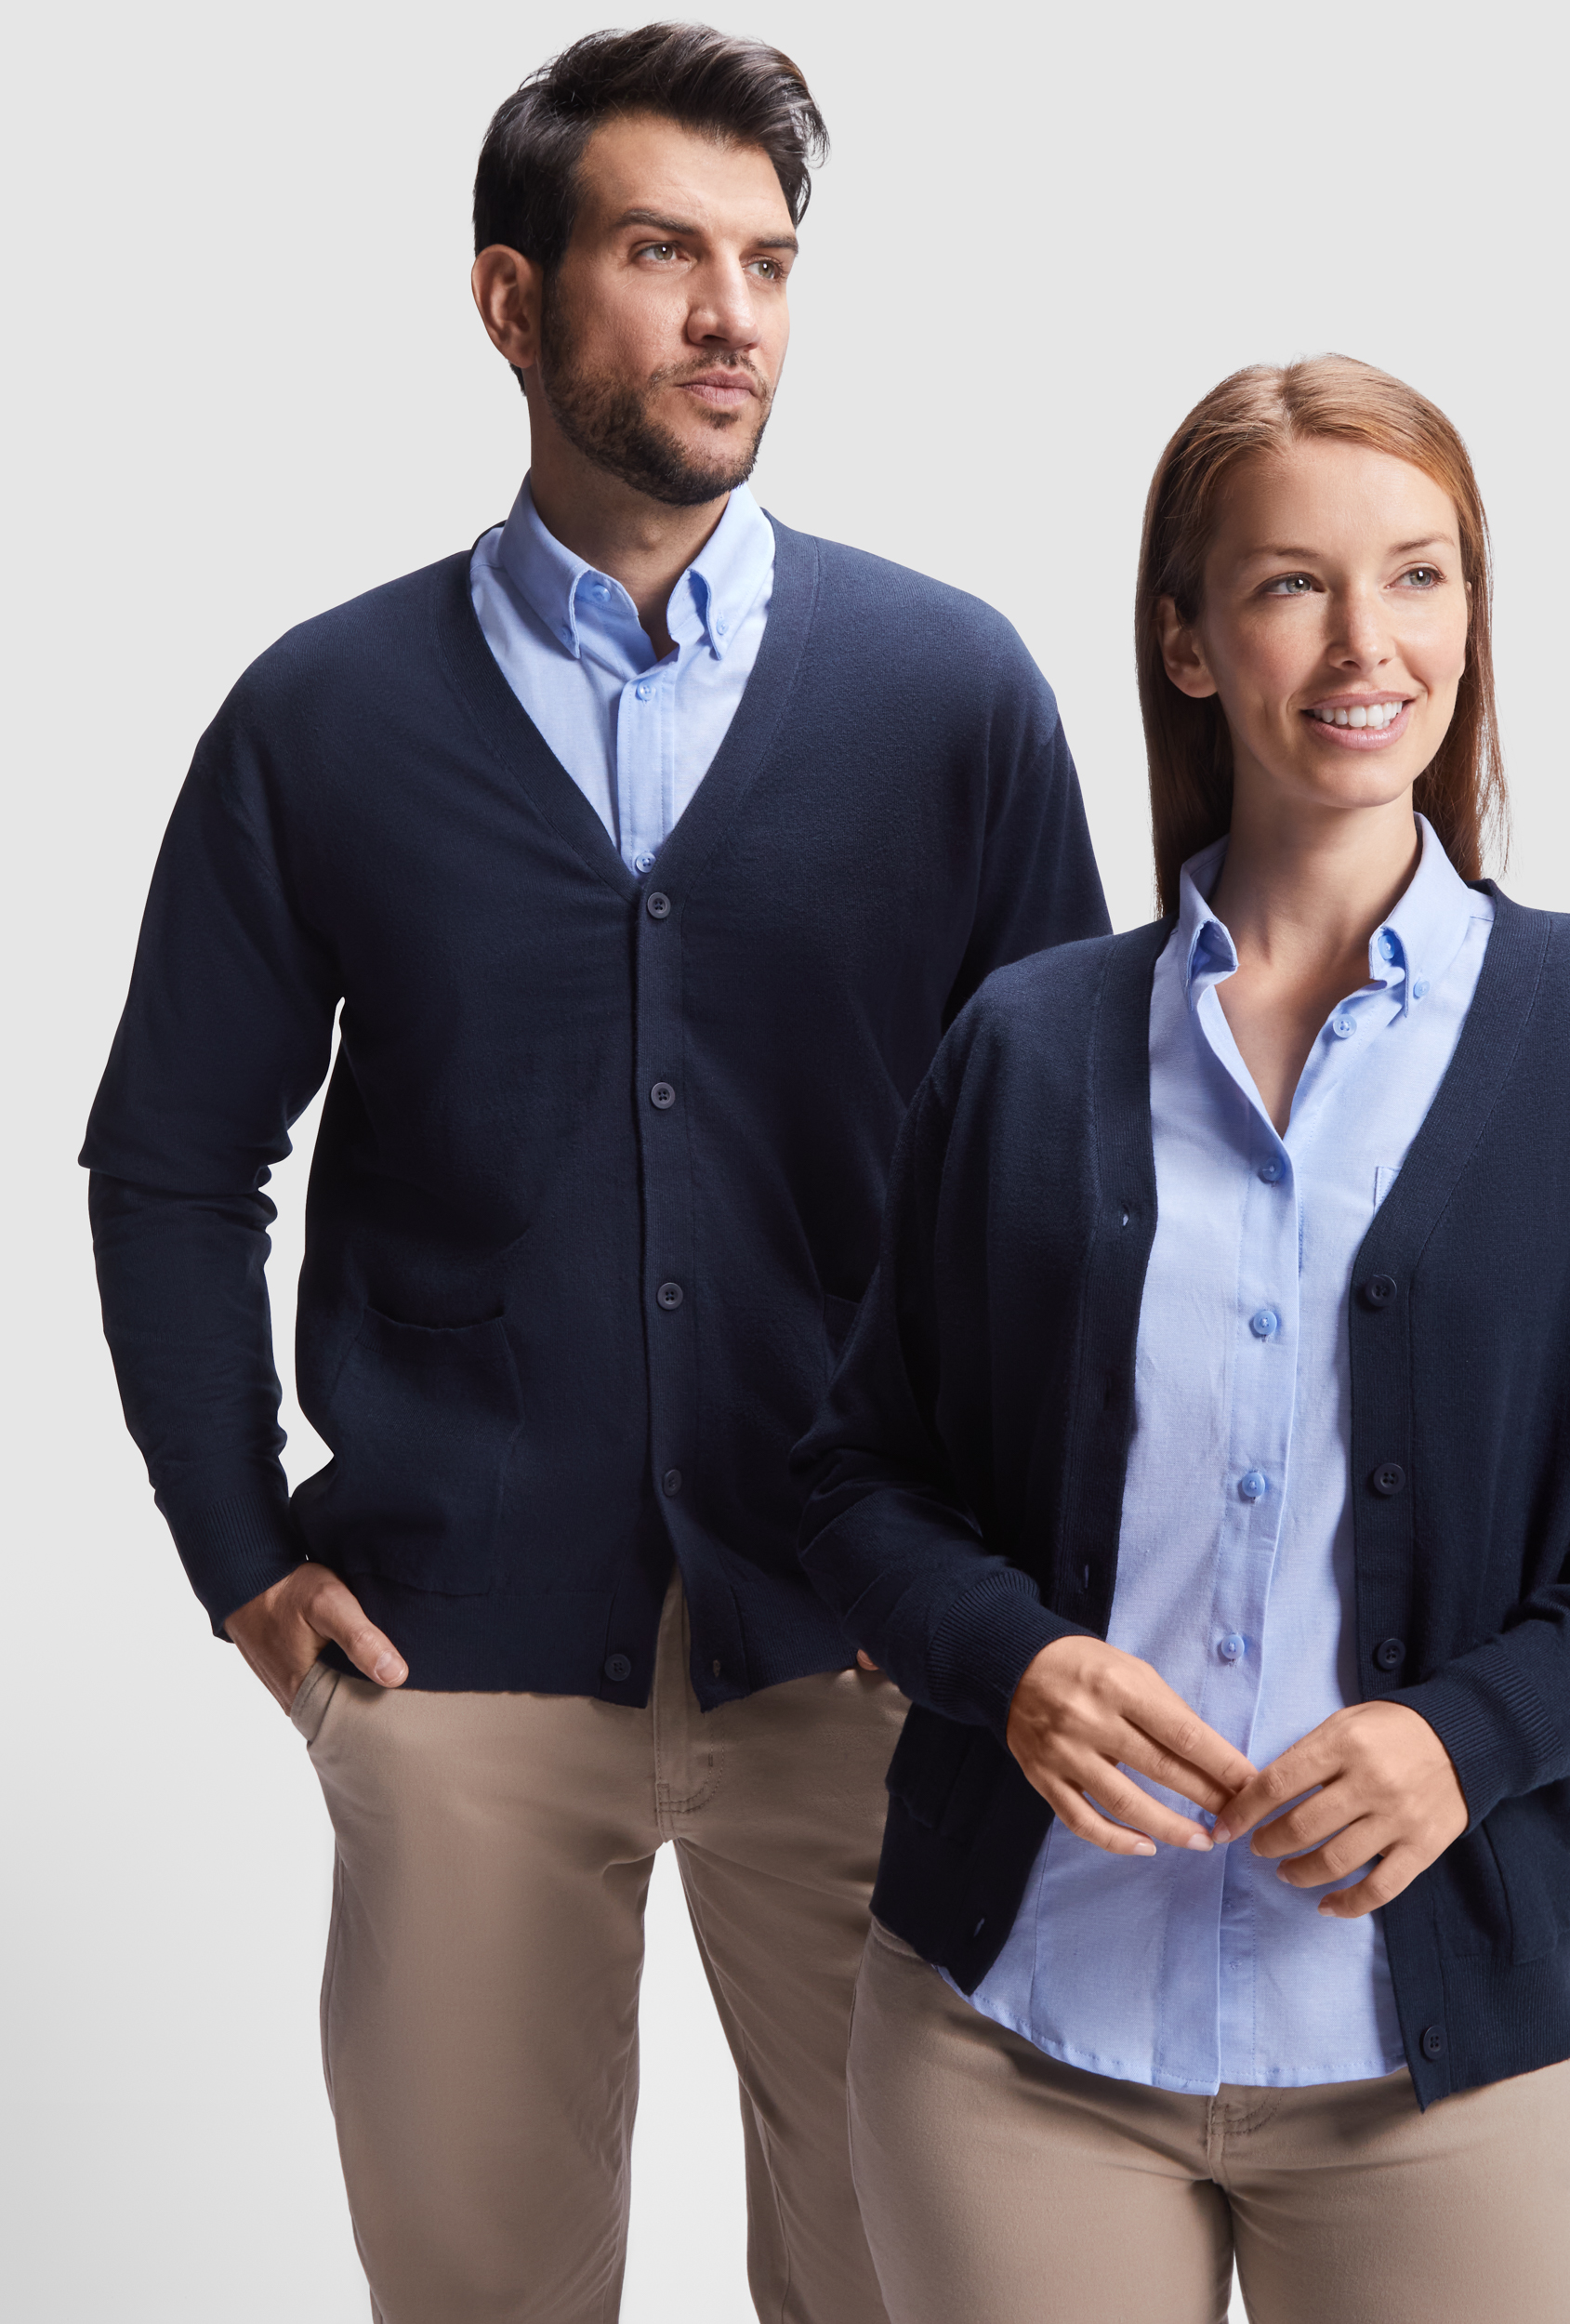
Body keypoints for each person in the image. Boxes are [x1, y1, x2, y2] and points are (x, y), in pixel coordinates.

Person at [82, 23, 1106, 2322]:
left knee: (909, 2279)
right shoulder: (322, 718)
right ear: (511, 300)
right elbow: (170, 1161)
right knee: (478, 2288)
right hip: (455, 1656)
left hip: (861, 1648)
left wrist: (1000, 1575)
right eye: (662, 253)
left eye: (769, 260)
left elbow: (1071, 1187)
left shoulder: (952, 695)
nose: (733, 314)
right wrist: (239, 1552)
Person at [797, 354, 1570, 2324]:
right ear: (1185, 639)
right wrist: (1012, 1665)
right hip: (1016, 2040)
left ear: (1471, 616)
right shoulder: (1025, 1044)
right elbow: (860, 1477)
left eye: (1418, 575)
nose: (1366, 644)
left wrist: (1463, 1737)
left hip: (1434, 2061)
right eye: (1289, 584)